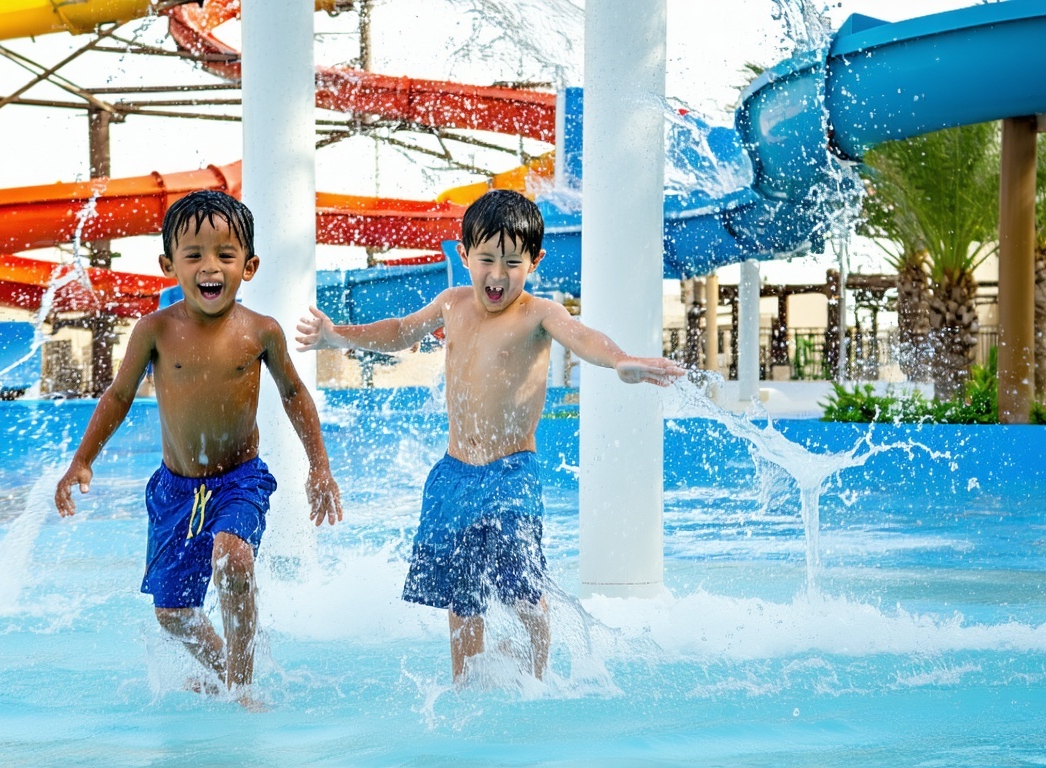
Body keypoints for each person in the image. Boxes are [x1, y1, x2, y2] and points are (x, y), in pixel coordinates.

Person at [295, 189, 683, 683]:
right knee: (462, 597)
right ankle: (465, 685)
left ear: (534, 262)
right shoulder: (451, 303)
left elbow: (583, 337)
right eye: (486, 260)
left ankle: (537, 681)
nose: (497, 276)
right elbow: (400, 331)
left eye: (512, 263)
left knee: (521, 592)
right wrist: (337, 335)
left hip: (510, 474)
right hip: (453, 474)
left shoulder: (540, 314)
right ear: (464, 255)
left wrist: (621, 360)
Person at [55, 190, 343, 705]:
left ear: (248, 266)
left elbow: (295, 394)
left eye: (225, 255)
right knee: (171, 614)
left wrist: (318, 467)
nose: (210, 266)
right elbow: (119, 395)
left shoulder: (261, 331)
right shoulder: (155, 332)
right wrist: (83, 460)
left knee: (232, 560)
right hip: (176, 489)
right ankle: (221, 675)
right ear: (169, 265)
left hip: (240, 479)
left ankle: (241, 686)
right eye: (194, 255)